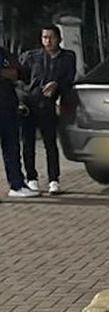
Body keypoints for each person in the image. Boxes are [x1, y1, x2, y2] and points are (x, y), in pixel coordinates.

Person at [20, 25, 76, 195]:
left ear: (59, 39)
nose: (48, 41)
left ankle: (53, 179)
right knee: (28, 144)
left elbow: (69, 79)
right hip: (30, 104)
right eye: (45, 37)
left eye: (51, 37)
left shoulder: (67, 57)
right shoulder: (32, 57)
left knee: (50, 144)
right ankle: (31, 178)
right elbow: (21, 77)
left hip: (49, 105)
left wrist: (57, 85)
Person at [0, 45, 36, 198]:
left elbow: (19, 72)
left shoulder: (3, 52)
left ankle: (17, 184)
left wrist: (9, 73)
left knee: (12, 147)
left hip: (7, 106)